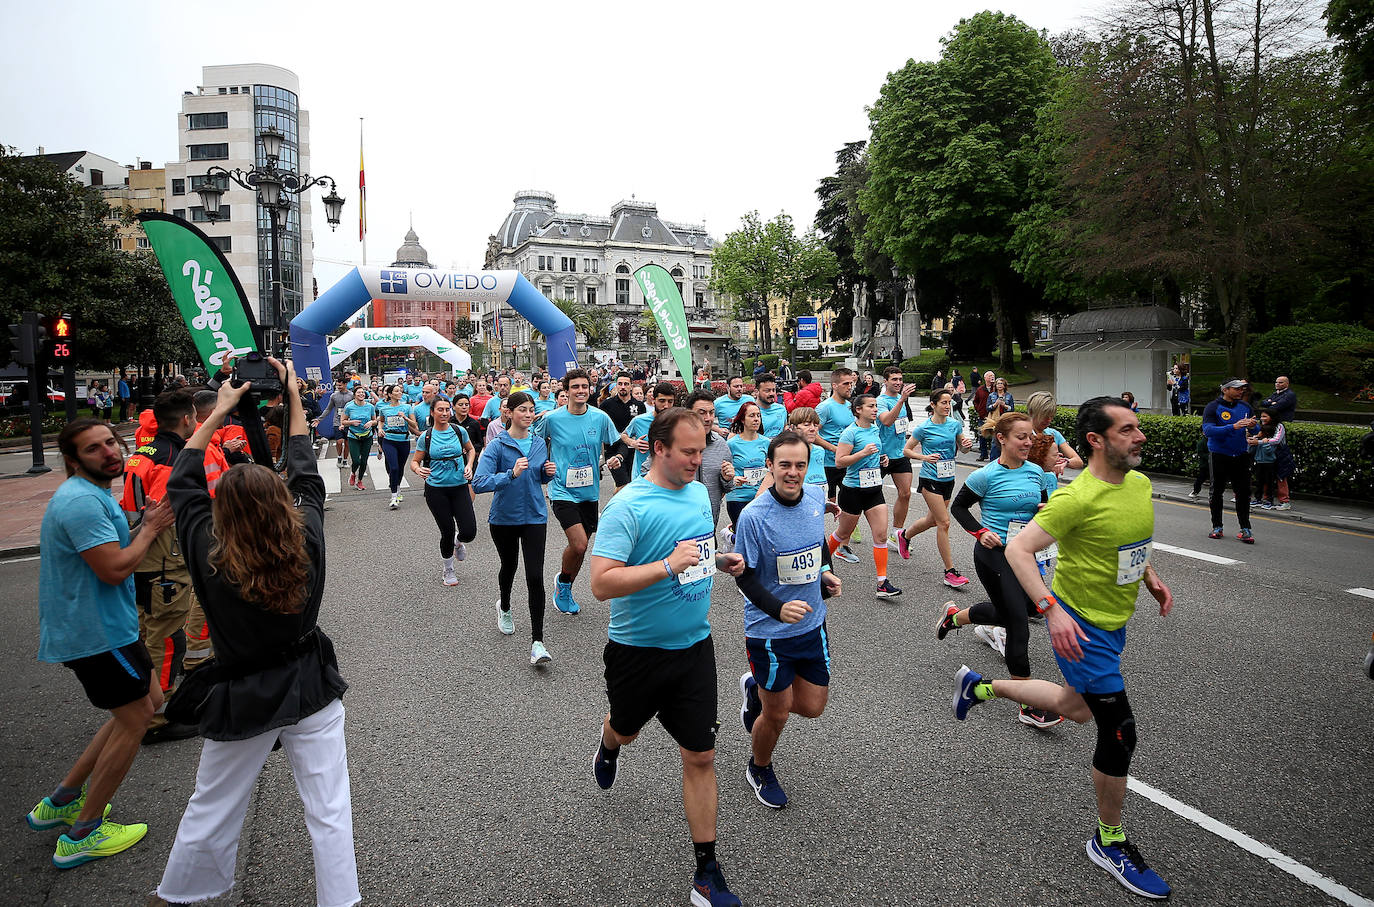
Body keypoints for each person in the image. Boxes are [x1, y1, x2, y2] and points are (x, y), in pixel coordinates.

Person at [952, 396, 1175, 901]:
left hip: (1114, 620)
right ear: (1095, 441)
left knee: (1075, 708)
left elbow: (1130, 543)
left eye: (1138, 427)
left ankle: (980, 686)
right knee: (1119, 731)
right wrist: (1051, 610)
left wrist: (1151, 577)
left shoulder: (1138, 485)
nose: (1140, 436)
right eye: (1127, 430)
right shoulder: (1077, 497)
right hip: (1082, 628)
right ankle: (1109, 840)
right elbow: (1018, 549)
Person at [153, 359, 358, 907]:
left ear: (222, 511)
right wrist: (292, 394)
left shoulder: (207, 550)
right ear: (280, 505)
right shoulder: (306, 540)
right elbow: (306, 471)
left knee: (212, 805)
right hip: (312, 685)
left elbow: (183, 482)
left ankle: (178, 894)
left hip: (242, 694)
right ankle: (340, 900)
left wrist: (218, 410)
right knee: (330, 810)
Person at [588, 408, 747, 907]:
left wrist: (717, 561)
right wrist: (664, 565)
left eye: (702, 451)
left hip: (694, 647)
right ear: (658, 448)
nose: (698, 462)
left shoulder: (700, 492)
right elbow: (600, 584)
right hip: (637, 652)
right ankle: (610, 739)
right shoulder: (628, 506)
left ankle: (706, 872)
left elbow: (692, 555)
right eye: (688, 453)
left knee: (701, 755)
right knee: (628, 729)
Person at [27, 419, 175, 867]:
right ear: (74, 461)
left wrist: (142, 526)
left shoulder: (92, 495)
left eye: (111, 442)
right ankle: (82, 834)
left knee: (146, 700)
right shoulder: (80, 504)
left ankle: (63, 800)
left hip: (112, 626)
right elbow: (112, 569)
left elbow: (111, 556)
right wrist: (149, 529)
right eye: (95, 449)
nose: (110, 452)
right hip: (95, 633)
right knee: (136, 720)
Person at [734, 430, 841, 809]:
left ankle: (756, 690)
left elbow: (815, 547)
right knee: (776, 713)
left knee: (812, 707)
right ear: (770, 466)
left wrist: (825, 571)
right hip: (769, 632)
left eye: (800, 464)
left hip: (813, 624)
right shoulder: (753, 517)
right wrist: (777, 609)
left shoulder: (814, 496)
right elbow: (743, 576)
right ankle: (759, 766)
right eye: (785, 465)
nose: (793, 472)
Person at [939, 411, 1060, 727]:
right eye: (1022, 437)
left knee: (1022, 610)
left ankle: (955, 617)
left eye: (1030, 437)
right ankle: (1028, 706)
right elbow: (959, 507)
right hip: (994, 556)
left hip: (1025, 554)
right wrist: (980, 532)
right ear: (1002, 439)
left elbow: (1043, 506)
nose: (1028, 442)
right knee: (1018, 624)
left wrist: (1046, 512)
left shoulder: (1036, 472)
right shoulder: (986, 475)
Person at [119, 389, 201, 744]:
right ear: (187, 420)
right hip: (164, 551)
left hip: (138, 544)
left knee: (145, 625)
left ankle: (141, 704)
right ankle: (156, 717)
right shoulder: (175, 456)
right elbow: (174, 508)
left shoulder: (143, 451)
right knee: (165, 634)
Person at [534, 369, 629, 615]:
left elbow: (617, 444)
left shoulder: (599, 418)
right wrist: (544, 465)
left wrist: (617, 456)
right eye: (575, 387)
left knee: (582, 546)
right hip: (562, 490)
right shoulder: (552, 419)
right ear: (566, 391)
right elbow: (532, 444)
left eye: (584, 386)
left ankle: (564, 583)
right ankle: (564, 585)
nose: (580, 391)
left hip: (589, 492)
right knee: (578, 544)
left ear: (590, 389)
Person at [472, 392, 557, 665]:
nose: (529, 414)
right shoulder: (497, 446)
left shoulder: (539, 443)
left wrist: (547, 473)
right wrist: (510, 474)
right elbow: (479, 482)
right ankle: (505, 606)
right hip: (504, 519)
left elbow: (538, 476)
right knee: (509, 567)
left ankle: (538, 643)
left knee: (535, 577)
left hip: (534, 516)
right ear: (508, 412)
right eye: (523, 409)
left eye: (532, 409)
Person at [896, 388, 975, 588]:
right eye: (944, 403)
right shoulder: (923, 428)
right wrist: (924, 457)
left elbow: (963, 449)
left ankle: (904, 535)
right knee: (944, 522)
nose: (948, 407)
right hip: (930, 478)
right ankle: (950, 572)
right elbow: (906, 450)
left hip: (948, 477)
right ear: (933, 405)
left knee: (933, 520)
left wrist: (966, 444)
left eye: (950, 403)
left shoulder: (955, 425)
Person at [828, 394, 901, 598]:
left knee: (880, 535)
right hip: (853, 491)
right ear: (858, 410)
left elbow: (873, 454)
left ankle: (882, 583)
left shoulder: (876, 429)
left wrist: (881, 458)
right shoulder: (850, 433)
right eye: (871, 406)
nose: (875, 409)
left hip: (874, 490)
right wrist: (862, 454)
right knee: (842, 534)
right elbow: (840, 462)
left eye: (876, 406)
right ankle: (821, 563)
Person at [412, 398, 478, 585]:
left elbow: (471, 450)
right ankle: (448, 569)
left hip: (459, 487)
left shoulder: (459, 431)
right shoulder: (426, 436)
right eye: (440, 409)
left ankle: (458, 542)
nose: (444, 413)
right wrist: (418, 469)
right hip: (436, 490)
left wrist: (470, 465)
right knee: (446, 530)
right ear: (432, 412)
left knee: (469, 531)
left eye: (447, 409)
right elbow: (414, 462)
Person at [1202, 379, 1257, 543]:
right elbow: (1208, 430)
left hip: (1240, 455)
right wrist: (1233, 427)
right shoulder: (1213, 407)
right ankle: (1217, 527)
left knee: (1243, 493)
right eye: (1237, 389)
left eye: (1243, 389)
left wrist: (1253, 426)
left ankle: (1245, 528)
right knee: (1217, 492)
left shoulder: (1245, 407)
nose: (1241, 392)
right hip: (1219, 455)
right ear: (1225, 390)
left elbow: (1257, 429)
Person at [875, 366, 920, 551]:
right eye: (894, 379)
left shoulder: (902, 401)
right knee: (867, 497)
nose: (898, 382)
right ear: (885, 381)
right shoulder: (880, 401)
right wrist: (901, 399)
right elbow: (886, 421)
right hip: (880, 456)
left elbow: (903, 425)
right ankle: (846, 533)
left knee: (906, 493)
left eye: (900, 379)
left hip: (900, 454)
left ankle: (897, 535)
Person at [687, 390, 735, 530]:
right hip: (678, 528)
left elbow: (728, 487)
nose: (708, 418)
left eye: (711, 413)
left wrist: (726, 478)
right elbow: (648, 472)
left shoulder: (720, 444)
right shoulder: (673, 441)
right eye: (702, 413)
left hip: (709, 526)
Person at [723, 401, 769, 546]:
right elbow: (723, 470)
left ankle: (731, 538)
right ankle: (732, 539)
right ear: (742, 419)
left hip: (760, 496)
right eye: (752, 416)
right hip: (738, 496)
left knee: (761, 538)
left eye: (758, 416)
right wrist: (734, 478)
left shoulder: (766, 442)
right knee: (746, 538)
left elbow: (772, 469)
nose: (756, 419)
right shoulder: (732, 444)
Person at [602, 372, 649, 489]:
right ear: (616, 385)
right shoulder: (606, 405)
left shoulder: (639, 406)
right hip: (614, 449)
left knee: (632, 485)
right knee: (623, 484)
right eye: (620, 384)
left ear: (631, 386)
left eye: (626, 384)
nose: (623, 386)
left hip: (634, 451)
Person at [626, 381, 679, 480]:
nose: (666, 406)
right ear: (654, 400)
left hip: (667, 478)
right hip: (641, 477)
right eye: (662, 401)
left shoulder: (678, 423)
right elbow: (624, 435)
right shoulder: (639, 420)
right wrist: (633, 443)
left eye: (670, 401)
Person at [377, 384, 415, 510]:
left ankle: (397, 487)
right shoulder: (384, 409)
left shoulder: (407, 407)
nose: (400, 393)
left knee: (400, 467)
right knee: (393, 468)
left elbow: (414, 425)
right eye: (397, 391)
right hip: (389, 440)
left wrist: (405, 417)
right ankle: (393, 496)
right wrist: (380, 429)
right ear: (390, 394)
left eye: (400, 391)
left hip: (403, 440)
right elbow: (381, 420)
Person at [1024, 391, 1084, 471]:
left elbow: (1078, 461)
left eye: (1051, 416)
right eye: (1045, 416)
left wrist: (1065, 462)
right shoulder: (1023, 435)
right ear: (1032, 412)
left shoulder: (1054, 434)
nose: (1049, 420)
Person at [341, 386, 378, 491]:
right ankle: (353, 473)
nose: (361, 394)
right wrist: (352, 422)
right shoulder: (349, 406)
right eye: (358, 392)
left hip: (367, 436)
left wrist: (371, 422)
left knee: (364, 461)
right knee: (356, 460)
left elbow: (375, 420)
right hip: (353, 436)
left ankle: (360, 481)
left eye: (363, 392)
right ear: (354, 394)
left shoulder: (370, 406)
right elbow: (343, 421)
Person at [754, 374, 789, 438]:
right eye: (767, 391)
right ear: (756, 392)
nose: (772, 393)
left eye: (773, 390)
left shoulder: (781, 409)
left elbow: (785, 427)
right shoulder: (750, 411)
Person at [972, 371, 996, 460]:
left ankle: (994, 456)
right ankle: (983, 454)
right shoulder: (980, 389)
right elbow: (975, 401)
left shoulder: (997, 389)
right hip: (983, 416)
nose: (992, 377)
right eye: (989, 376)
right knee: (982, 436)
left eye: (993, 376)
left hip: (994, 417)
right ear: (985, 378)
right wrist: (979, 410)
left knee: (995, 436)